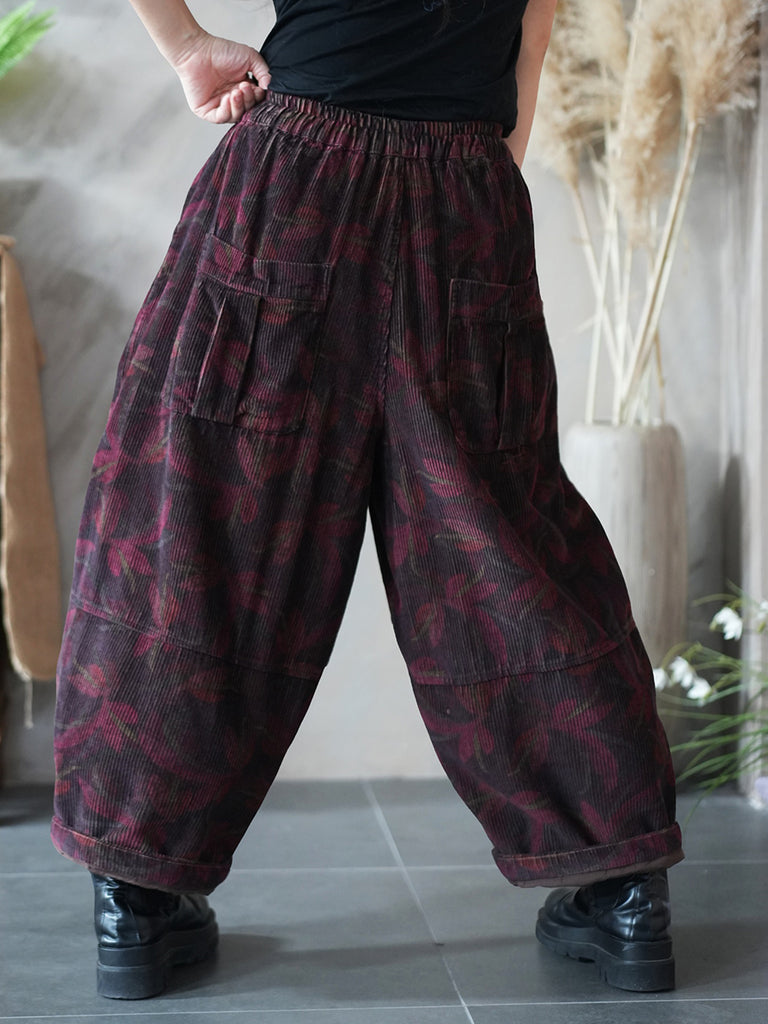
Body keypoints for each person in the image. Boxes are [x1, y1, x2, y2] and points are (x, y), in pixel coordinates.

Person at [51, 0, 684, 1001]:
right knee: (506, 539)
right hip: (466, 188)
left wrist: (188, 47)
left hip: (291, 179)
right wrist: (479, 171)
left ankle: (137, 895)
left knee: (199, 521)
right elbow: (535, 25)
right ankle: (622, 891)